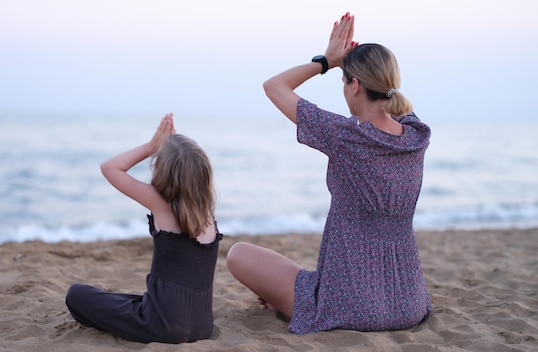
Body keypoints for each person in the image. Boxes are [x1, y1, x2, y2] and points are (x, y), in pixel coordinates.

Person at [226, 12, 432, 334]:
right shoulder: (416, 136)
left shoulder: (345, 136)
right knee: (302, 280)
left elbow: (274, 86)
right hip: (409, 304)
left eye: (344, 81)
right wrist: (357, 68)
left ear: (355, 86)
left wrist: (327, 60)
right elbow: (396, 105)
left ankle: (283, 300)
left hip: (350, 304)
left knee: (239, 254)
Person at [66, 113, 223, 343]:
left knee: (76, 295)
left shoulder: (161, 205)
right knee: (134, 300)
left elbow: (110, 168)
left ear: (163, 172)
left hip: (162, 325)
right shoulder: (207, 211)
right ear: (203, 173)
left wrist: (152, 146)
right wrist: (175, 144)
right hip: (202, 326)